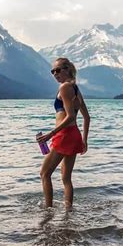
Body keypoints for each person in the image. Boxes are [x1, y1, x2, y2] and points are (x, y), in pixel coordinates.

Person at [36, 57, 90, 209]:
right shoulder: (75, 88)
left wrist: (50, 134)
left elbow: (70, 116)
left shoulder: (64, 87)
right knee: (66, 179)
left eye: (58, 70)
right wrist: (84, 140)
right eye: (53, 71)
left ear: (68, 70)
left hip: (64, 135)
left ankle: (48, 210)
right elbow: (86, 117)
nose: (55, 74)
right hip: (74, 135)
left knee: (44, 174)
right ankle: (68, 212)